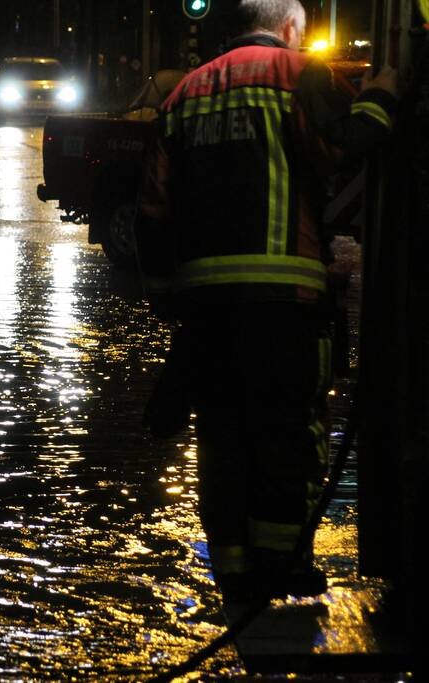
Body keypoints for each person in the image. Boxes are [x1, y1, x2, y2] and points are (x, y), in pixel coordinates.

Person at [137, 0, 398, 602]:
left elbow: (153, 209)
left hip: (206, 308)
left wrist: (166, 299)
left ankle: (232, 572)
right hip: (283, 301)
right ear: (291, 28)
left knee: (223, 438)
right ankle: (281, 572)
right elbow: (343, 144)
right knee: (287, 436)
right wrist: (384, 93)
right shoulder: (300, 74)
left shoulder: (186, 93)